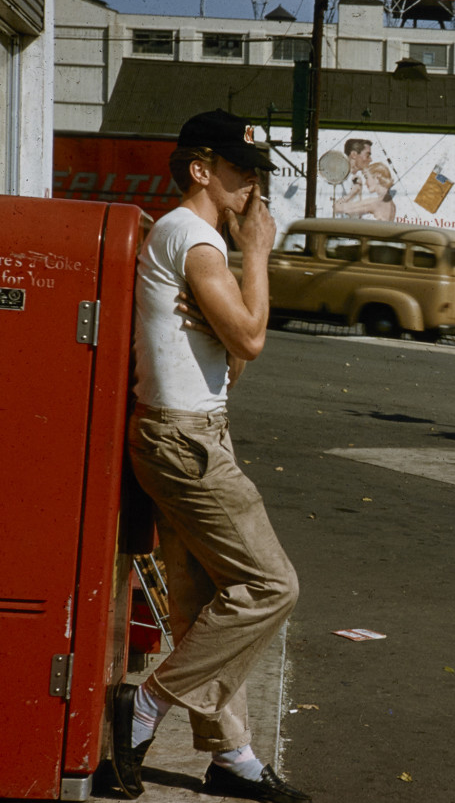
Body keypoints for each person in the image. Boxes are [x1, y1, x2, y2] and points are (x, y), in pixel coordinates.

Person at [115, 109, 309, 803]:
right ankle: (144, 707)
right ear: (200, 169)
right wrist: (257, 252)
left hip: (189, 433)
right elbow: (251, 341)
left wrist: (231, 333)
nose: (253, 186)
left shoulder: (187, 240)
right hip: (184, 438)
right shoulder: (196, 239)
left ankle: (233, 756)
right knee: (269, 585)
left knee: (204, 614)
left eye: (256, 173)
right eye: (238, 170)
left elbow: (233, 357)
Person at [332, 160, 396, 221]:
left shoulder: (375, 203)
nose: (365, 183)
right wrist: (359, 192)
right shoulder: (391, 204)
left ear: (377, 177)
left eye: (366, 177)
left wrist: (353, 192)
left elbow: (337, 207)